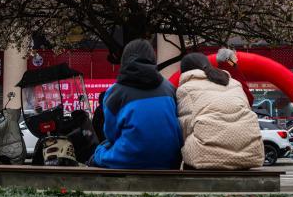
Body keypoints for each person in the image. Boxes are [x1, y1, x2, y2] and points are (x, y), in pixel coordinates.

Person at [91, 39, 182, 169]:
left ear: (124, 59)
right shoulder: (169, 88)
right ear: (153, 59)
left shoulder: (115, 92)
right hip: (169, 160)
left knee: (99, 151)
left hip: (129, 160)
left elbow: (110, 134)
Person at [177, 53, 263, 170]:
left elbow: (184, 127)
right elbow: (248, 100)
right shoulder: (234, 79)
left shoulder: (186, 88)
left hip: (206, 157)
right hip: (250, 153)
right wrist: (232, 62)